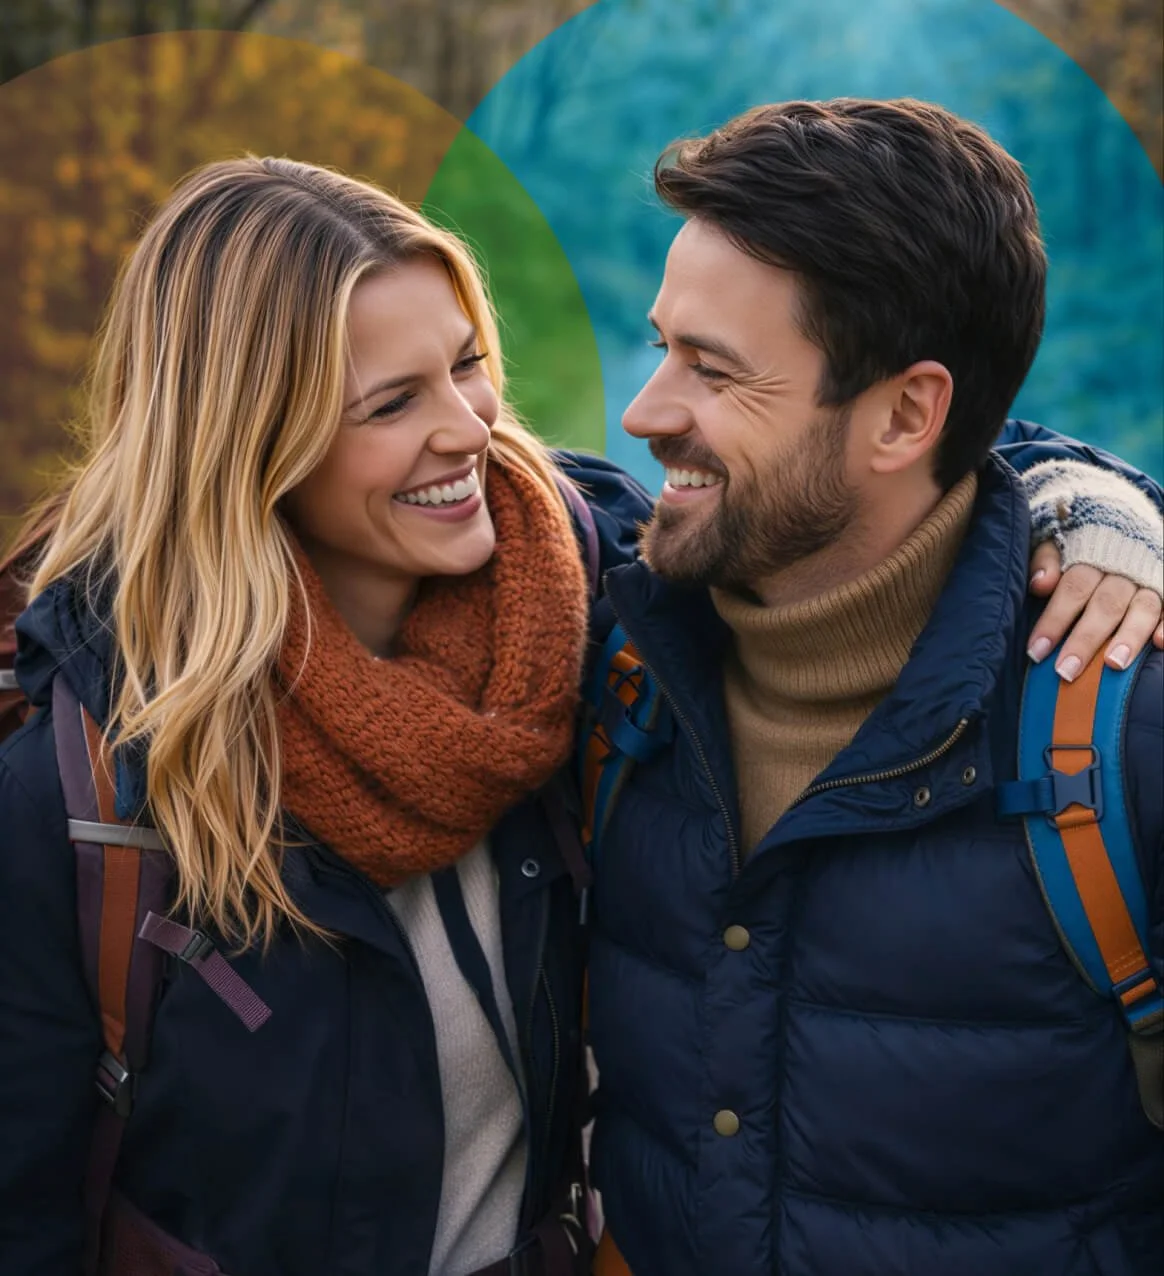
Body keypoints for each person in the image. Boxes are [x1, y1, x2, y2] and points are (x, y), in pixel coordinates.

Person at [0, 149, 1157, 1276]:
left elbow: (895, 453)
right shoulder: (92, 780)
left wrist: (1102, 504)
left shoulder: (577, 600)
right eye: (393, 401)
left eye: (466, 365)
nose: (467, 428)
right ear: (244, 441)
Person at [582, 100, 1164, 1276]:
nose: (643, 414)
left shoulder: (1124, 741)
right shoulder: (604, 658)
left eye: (715, 371)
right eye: (660, 345)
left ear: (906, 413)